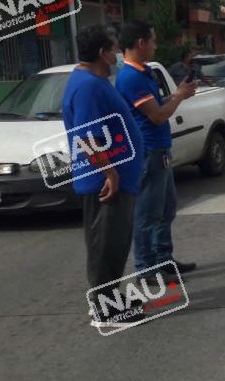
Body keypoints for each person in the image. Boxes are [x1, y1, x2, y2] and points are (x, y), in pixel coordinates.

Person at [61, 25, 146, 328]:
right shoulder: (88, 86)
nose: (118, 54)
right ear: (102, 53)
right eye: (113, 48)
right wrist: (110, 172)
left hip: (113, 177)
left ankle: (108, 300)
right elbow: (87, 138)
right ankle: (105, 310)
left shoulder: (94, 81)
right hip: (105, 182)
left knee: (113, 244)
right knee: (106, 246)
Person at [115, 21, 198, 285]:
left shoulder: (145, 72)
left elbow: (159, 105)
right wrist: (179, 97)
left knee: (166, 208)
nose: (155, 45)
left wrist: (177, 95)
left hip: (160, 150)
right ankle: (146, 267)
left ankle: (163, 257)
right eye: (152, 40)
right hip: (148, 151)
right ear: (140, 42)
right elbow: (158, 116)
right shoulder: (129, 77)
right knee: (147, 213)